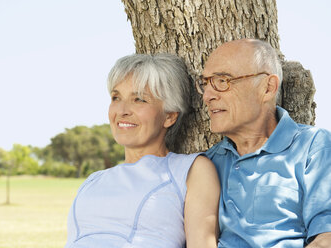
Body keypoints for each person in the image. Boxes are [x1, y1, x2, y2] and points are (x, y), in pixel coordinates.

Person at [65, 53, 220, 248]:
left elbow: (202, 243)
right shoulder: (94, 180)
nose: (122, 110)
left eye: (139, 99)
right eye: (116, 97)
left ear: (170, 116)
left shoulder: (189, 170)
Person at [195, 38, 331, 247]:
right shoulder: (207, 164)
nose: (207, 96)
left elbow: (326, 237)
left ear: (268, 88)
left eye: (222, 81)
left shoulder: (313, 146)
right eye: (205, 83)